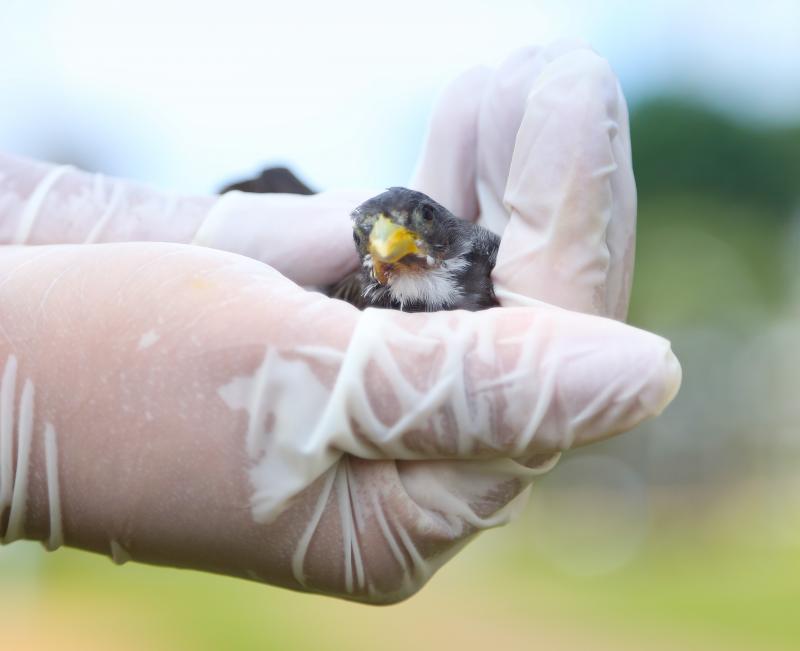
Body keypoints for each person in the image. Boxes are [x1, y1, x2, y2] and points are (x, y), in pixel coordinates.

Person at [0, 42, 680, 604]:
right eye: (374, 238)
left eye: (412, 228)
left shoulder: (483, 262)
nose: (391, 244)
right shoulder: (362, 290)